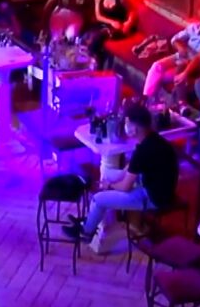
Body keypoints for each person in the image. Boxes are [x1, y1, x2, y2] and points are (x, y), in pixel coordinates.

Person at [62, 103, 178, 242]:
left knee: (99, 199)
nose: (125, 126)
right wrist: (109, 180)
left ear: (134, 128)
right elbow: (129, 170)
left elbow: (125, 187)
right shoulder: (155, 140)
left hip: (153, 198)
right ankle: (89, 220)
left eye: (127, 123)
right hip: (157, 187)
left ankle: (85, 233)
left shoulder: (143, 151)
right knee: (107, 174)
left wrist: (109, 186)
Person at [142, 12, 200, 100]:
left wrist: (194, 64)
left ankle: (153, 101)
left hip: (192, 66)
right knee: (156, 66)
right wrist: (180, 47)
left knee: (161, 78)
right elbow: (174, 39)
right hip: (181, 56)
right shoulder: (194, 28)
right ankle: (146, 99)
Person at [86, 0, 137, 70]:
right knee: (89, 35)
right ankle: (93, 60)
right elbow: (98, 16)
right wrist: (111, 22)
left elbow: (132, 12)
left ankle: (98, 65)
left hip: (118, 27)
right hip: (104, 24)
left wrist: (128, 24)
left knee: (98, 37)